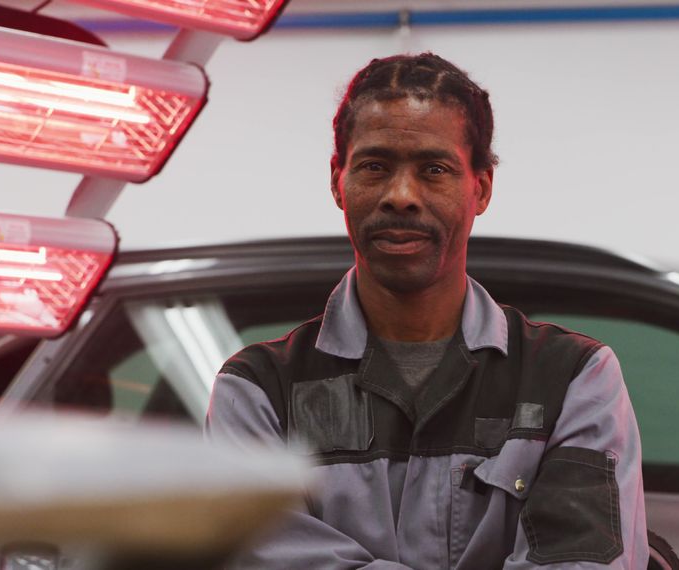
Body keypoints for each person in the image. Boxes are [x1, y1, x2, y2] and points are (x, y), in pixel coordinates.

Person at [206, 53, 648, 569]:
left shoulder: (573, 379)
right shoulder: (259, 392)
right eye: (375, 166)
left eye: (433, 169)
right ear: (337, 181)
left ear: (480, 187)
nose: (401, 196)